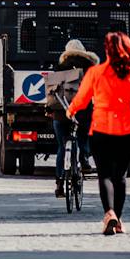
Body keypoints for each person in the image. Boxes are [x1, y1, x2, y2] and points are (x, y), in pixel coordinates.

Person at [66, 31, 130, 235]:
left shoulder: (95, 73)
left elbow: (82, 99)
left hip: (100, 130)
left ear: (107, 51)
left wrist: (70, 110)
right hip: (125, 132)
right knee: (120, 177)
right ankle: (117, 218)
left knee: (105, 175)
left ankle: (109, 213)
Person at [45, 38, 100, 201]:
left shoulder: (60, 67)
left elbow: (52, 91)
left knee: (62, 147)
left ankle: (59, 184)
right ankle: (84, 158)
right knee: (85, 134)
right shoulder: (90, 67)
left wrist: (49, 109)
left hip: (61, 113)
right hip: (82, 112)